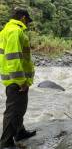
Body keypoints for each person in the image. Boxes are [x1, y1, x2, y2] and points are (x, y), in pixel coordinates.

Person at [0, 8, 36, 149]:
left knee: (19, 108)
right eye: (27, 21)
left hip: (12, 77)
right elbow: (13, 59)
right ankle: (6, 143)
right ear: (22, 18)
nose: (27, 24)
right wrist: (21, 82)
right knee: (14, 110)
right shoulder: (15, 31)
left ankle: (20, 131)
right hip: (16, 80)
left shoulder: (6, 30)